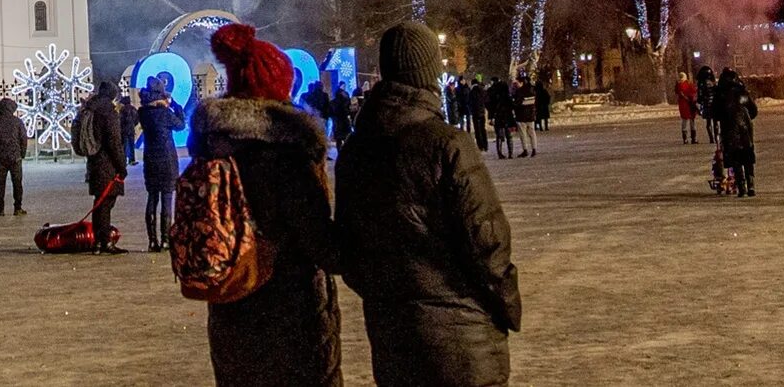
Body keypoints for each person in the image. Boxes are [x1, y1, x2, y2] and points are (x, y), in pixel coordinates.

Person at [339, 21, 518, 387]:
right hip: (462, 335)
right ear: (428, 74)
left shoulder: (356, 152)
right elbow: (487, 240)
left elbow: (349, 250)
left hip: (392, 335)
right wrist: (506, 304)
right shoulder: (447, 144)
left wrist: (386, 294)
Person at [196, 22, 341, 386]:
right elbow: (323, 245)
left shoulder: (214, 151)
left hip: (232, 311)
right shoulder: (285, 157)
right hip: (292, 320)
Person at [78, 75, 128, 253]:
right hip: (107, 164)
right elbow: (114, 142)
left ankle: (98, 241)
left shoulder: (91, 108)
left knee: (100, 202)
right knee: (106, 202)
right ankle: (104, 241)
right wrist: (122, 167)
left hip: (94, 161)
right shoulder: (108, 112)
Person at [138, 74, 184, 251]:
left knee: (152, 198)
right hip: (167, 160)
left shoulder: (143, 113)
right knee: (166, 199)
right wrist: (174, 105)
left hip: (150, 160)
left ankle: (152, 241)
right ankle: (165, 240)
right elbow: (180, 124)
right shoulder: (165, 114)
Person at [0, 95, 29, 216]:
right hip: (15, 157)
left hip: (1, 158)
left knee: (0, 183)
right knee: (17, 183)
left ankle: (0, 208)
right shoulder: (17, 122)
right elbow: (23, 139)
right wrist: (22, 153)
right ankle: (18, 207)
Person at [719, 71, 757, 198]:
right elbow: (754, 111)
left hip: (729, 130)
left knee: (735, 158)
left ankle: (741, 187)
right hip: (745, 130)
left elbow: (716, 113)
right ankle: (751, 185)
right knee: (747, 156)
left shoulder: (722, 96)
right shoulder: (743, 93)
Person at [486, 75, 518, 160]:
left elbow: (490, 106)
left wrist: (491, 116)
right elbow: (512, 106)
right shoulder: (507, 96)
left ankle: (500, 153)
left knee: (499, 136)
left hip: (499, 116)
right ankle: (510, 153)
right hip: (507, 116)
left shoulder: (494, 95)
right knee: (509, 135)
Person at [463, 74, 489, 152]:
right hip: (482, 112)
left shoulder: (471, 92)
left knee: (477, 130)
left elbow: (468, 102)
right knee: (483, 129)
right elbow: (486, 99)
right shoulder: (482, 91)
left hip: (475, 113)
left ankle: (480, 146)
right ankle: (485, 145)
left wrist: (471, 110)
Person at [675, 72, 700, 144]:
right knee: (692, 121)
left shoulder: (678, 85)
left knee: (684, 121)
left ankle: (685, 139)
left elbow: (678, 93)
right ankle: (694, 138)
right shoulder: (689, 84)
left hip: (683, 105)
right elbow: (694, 91)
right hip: (690, 104)